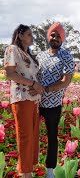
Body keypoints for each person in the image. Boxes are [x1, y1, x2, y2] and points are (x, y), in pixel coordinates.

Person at [30, 22, 75, 178]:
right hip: (35, 102)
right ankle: (29, 166)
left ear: (62, 39)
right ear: (48, 37)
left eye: (58, 36)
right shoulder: (39, 56)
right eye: (52, 35)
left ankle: (50, 171)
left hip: (53, 105)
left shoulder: (67, 57)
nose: (55, 38)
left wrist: (46, 89)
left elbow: (65, 81)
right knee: (30, 134)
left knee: (52, 136)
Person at [4, 24, 44, 178]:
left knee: (33, 135)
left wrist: (38, 87)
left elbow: (34, 76)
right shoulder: (12, 49)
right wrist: (34, 84)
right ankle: (24, 172)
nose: (31, 37)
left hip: (33, 99)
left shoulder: (29, 55)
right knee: (25, 135)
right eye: (28, 34)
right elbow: (10, 74)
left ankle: (30, 168)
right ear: (20, 35)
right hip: (21, 99)